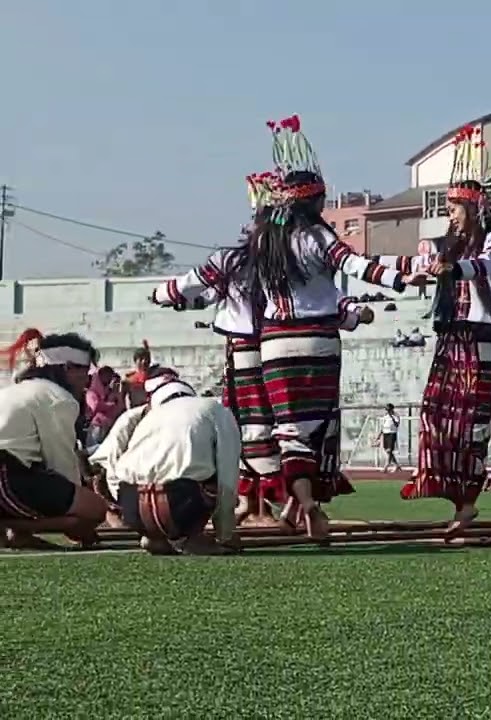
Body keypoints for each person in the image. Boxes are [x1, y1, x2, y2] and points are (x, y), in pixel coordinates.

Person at [152, 170, 382, 530]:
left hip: (253, 349)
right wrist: (359, 310)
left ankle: (264, 505)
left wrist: (162, 295)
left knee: (257, 429)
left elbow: (192, 290)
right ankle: (284, 504)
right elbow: (325, 299)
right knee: (293, 428)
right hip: (283, 343)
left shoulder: (242, 257)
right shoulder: (283, 252)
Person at [394, 127, 491, 534]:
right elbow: (417, 265)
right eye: (448, 207)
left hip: (484, 338)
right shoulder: (448, 246)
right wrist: (404, 274)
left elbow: (487, 265)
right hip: (453, 338)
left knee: (474, 425)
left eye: (456, 207)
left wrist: (453, 268)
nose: (451, 214)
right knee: (437, 414)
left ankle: (468, 502)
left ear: (474, 208)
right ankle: (451, 493)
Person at [90, 369, 240, 556]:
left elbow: (111, 464)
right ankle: (192, 537)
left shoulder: (146, 417)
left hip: (133, 507)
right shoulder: (215, 409)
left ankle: (154, 535)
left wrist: (122, 503)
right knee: (210, 474)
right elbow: (228, 473)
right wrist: (225, 533)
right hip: (182, 505)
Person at [0, 329, 110, 550]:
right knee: (96, 509)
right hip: (6, 477)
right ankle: (11, 526)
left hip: (10, 474)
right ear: (68, 368)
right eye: (85, 372)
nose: (87, 381)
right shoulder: (58, 398)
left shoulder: (12, 391)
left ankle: (18, 532)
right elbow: (61, 464)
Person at [84, 366, 124, 449]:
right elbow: (95, 406)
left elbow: (120, 407)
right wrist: (110, 405)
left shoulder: (110, 392)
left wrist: (116, 392)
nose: (109, 378)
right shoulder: (92, 392)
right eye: (107, 375)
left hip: (109, 425)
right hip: (97, 425)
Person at [381, 404, 402, 474]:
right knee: (387, 450)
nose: (388, 411)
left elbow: (397, 424)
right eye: (387, 410)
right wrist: (379, 434)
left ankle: (386, 466)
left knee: (390, 450)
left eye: (389, 410)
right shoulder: (385, 416)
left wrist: (392, 417)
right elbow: (383, 425)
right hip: (385, 433)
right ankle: (397, 465)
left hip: (392, 433)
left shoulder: (396, 415)